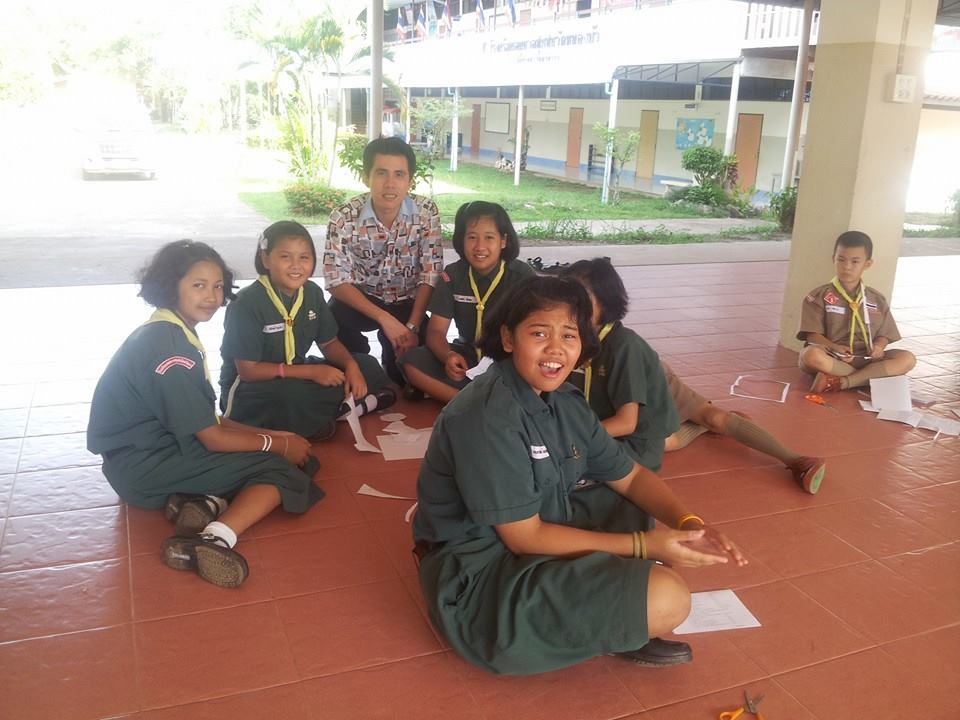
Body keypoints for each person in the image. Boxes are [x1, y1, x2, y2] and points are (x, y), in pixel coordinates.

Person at [412, 275, 746, 676]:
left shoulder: (564, 401)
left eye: (569, 335)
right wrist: (644, 546)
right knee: (668, 598)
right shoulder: (487, 417)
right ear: (508, 338)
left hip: (530, 535)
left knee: (621, 497)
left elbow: (631, 477)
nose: (556, 348)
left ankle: (607, 604)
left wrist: (689, 523)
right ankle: (602, 618)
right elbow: (524, 538)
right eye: (539, 333)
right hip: (479, 577)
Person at [87, 241, 323, 589]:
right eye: (199, 285)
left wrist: (278, 437)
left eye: (217, 286)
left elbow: (206, 418)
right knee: (284, 469)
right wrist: (276, 446)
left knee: (290, 453)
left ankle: (203, 503)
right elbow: (211, 437)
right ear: (171, 285)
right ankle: (214, 539)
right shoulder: (172, 351)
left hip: (147, 453)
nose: (212, 297)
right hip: (143, 468)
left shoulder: (168, 330)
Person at [565, 258, 827, 495]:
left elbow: (626, 422)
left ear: (605, 300)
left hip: (651, 380)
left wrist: (569, 436)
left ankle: (796, 460)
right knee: (665, 440)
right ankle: (701, 428)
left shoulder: (624, 348)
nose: (571, 305)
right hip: (624, 389)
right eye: (567, 296)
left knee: (713, 417)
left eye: (582, 297)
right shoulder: (573, 332)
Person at [220, 221, 394, 441]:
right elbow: (248, 371)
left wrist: (351, 366)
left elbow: (329, 343)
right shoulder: (246, 302)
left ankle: (325, 416)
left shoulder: (311, 292)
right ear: (265, 259)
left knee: (366, 365)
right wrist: (311, 372)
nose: (296, 266)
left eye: (304, 257)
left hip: (296, 372)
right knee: (292, 396)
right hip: (252, 387)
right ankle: (351, 408)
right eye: (285, 257)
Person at [322, 136, 444, 386]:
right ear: (366, 177)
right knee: (331, 320)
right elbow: (335, 279)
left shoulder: (426, 212)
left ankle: (393, 358)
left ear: (410, 180)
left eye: (399, 174)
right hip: (364, 301)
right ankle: (360, 364)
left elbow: (430, 273)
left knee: (414, 375)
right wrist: (385, 319)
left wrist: (411, 326)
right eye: (381, 173)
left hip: (408, 303)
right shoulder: (343, 217)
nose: (390, 184)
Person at [399, 201, 535, 403]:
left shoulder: (521, 276)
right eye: (471, 237)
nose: (479, 246)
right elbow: (436, 331)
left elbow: (535, 332)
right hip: (468, 355)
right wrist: (448, 357)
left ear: (503, 241)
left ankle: (466, 400)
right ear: (461, 240)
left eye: (489, 237)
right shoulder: (453, 275)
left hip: (508, 358)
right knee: (411, 362)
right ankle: (474, 402)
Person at [798, 230, 916, 393]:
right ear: (833, 259)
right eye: (841, 260)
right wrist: (834, 347)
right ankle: (868, 377)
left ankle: (841, 382)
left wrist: (879, 346)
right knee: (810, 356)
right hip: (833, 356)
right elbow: (812, 335)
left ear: (867, 264)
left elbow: (885, 334)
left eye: (855, 261)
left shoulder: (876, 299)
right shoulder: (818, 296)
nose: (847, 267)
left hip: (867, 358)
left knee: (907, 359)